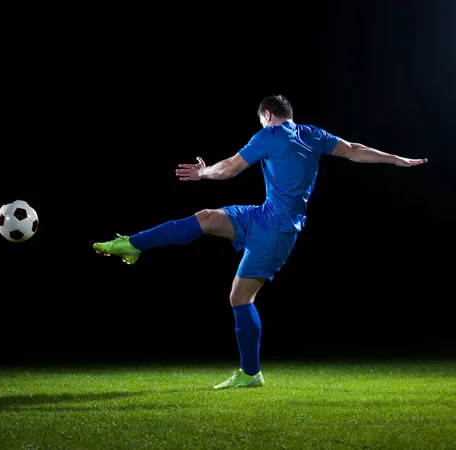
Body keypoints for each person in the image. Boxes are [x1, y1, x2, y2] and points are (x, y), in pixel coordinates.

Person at [93, 94, 428, 389]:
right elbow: (355, 151)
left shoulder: (269, 135)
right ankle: (134, 244)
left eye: (261, 119)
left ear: (267, 115)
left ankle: (250, 373)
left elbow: (229, 169)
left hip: (276, 231)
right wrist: (397, 159)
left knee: (239, 297)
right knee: (207, 217)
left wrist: (203, 173)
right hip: (263, 215)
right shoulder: (313, 134)